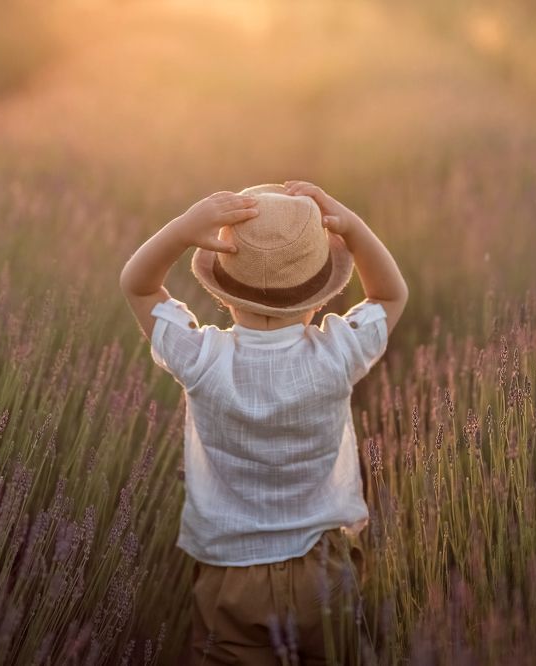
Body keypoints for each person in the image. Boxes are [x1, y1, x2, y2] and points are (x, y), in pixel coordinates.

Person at [119, 181, 408, 664]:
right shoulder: (338, 353)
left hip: (229, 573)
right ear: (319, 298)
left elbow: (138, 283)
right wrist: (353, 228)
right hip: (321, 565)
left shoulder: (202, 359)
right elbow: (390, 295)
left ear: (223, 295)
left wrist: (184, 229)